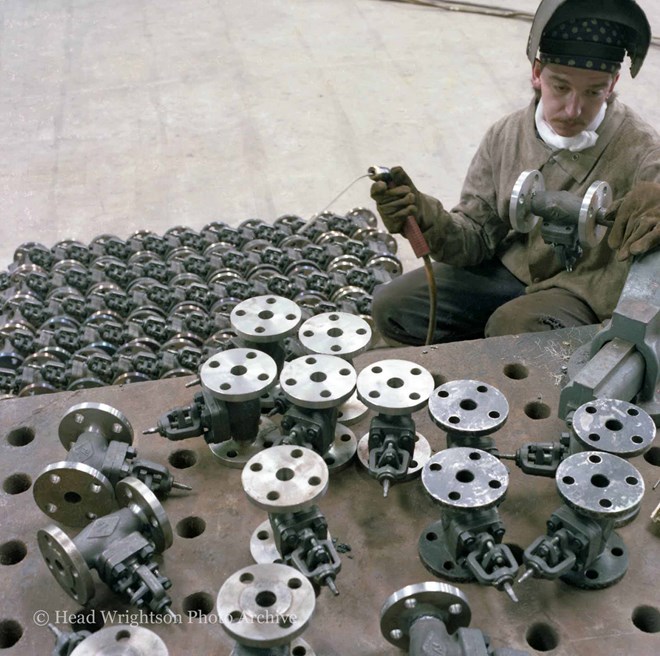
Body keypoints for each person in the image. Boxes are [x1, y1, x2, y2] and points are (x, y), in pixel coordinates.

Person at [370, 0, 660, 346]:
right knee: (393, 305)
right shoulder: (506, 136)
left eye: (593, 92)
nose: (573, 109)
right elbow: (475, 237)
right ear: (537, 73)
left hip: (583, 291)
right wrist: (423, 214)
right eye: (561, 86)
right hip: (511, 271)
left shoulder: (640, 150)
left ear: (612, 84)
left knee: (513, 328)